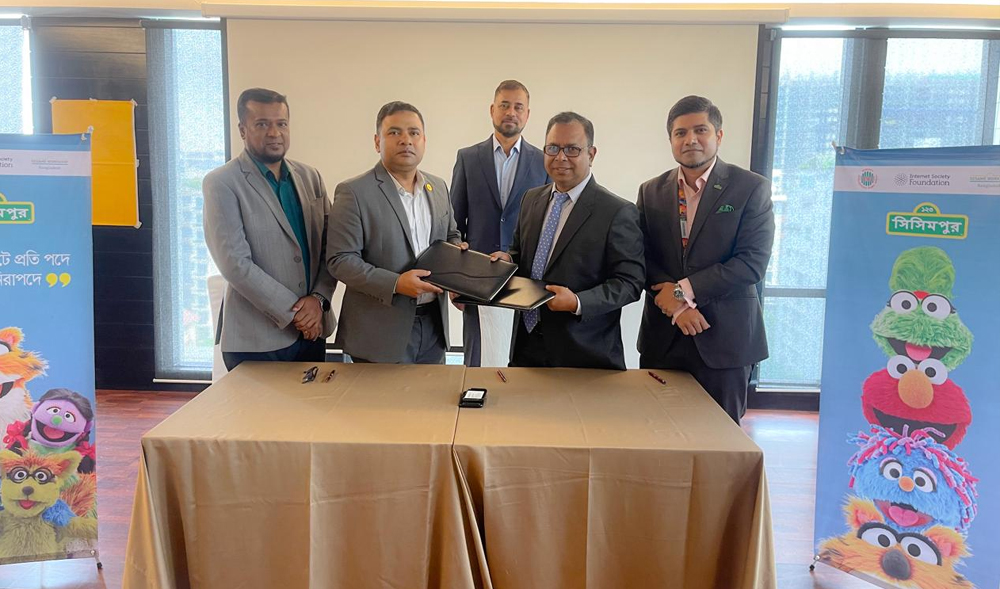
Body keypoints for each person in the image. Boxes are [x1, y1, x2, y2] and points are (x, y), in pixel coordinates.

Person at [637, 95, 775, 423]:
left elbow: (751, 263)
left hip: (725, 339)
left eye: (700, 130)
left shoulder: (750, 188)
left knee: (721, 439)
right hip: (664, 338)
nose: (690, 140)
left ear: (719, 135)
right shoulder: (651, 191)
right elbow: (640, 257)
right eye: (680, 133)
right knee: (658, 433)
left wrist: (682, 292)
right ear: (671, 140)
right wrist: (676, 307)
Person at [492, 112, 644, 370]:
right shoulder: (531, 199)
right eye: (553, 148)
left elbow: (630, 283)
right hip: (526, 346)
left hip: (583, 354)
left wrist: (578, 302)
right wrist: (506, 259)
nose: (560, 157)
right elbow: (520, 253)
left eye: (572, 149)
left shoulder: (617, 212)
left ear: (591, 154)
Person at [203, 87, 336, 371]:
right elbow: (235, 264)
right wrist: (297, 312)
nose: (274, 133)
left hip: (312, 331)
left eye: (281, 124)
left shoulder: (310, 177)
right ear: (242, 130)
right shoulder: (222, 183)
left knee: (312, 402)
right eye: (262, 124)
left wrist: (318, 300)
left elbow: (332, 247)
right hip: (256, 340)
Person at [327, 101, 466, 364]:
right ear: (377, 142)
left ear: (424, 140)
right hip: (379, 333)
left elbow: (451, 236)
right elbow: (340, 260)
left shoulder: (438, 187)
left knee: (432, 392)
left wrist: (459, 259)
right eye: (394, 132)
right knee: (382, 394)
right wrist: (395, 283)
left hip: (434, 328)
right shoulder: (354, 192)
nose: (406, 140)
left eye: (414, 132)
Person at [451, 80, 548, 366]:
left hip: (525, 278)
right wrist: (454, 279)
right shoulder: (468, 158)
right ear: (492, 110)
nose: (511, 112)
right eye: (504, 105)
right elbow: (455, 224)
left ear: (527, 114)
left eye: (518, 107)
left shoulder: (543, 161)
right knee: (478, 357)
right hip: (476, 278)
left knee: (521, 359)